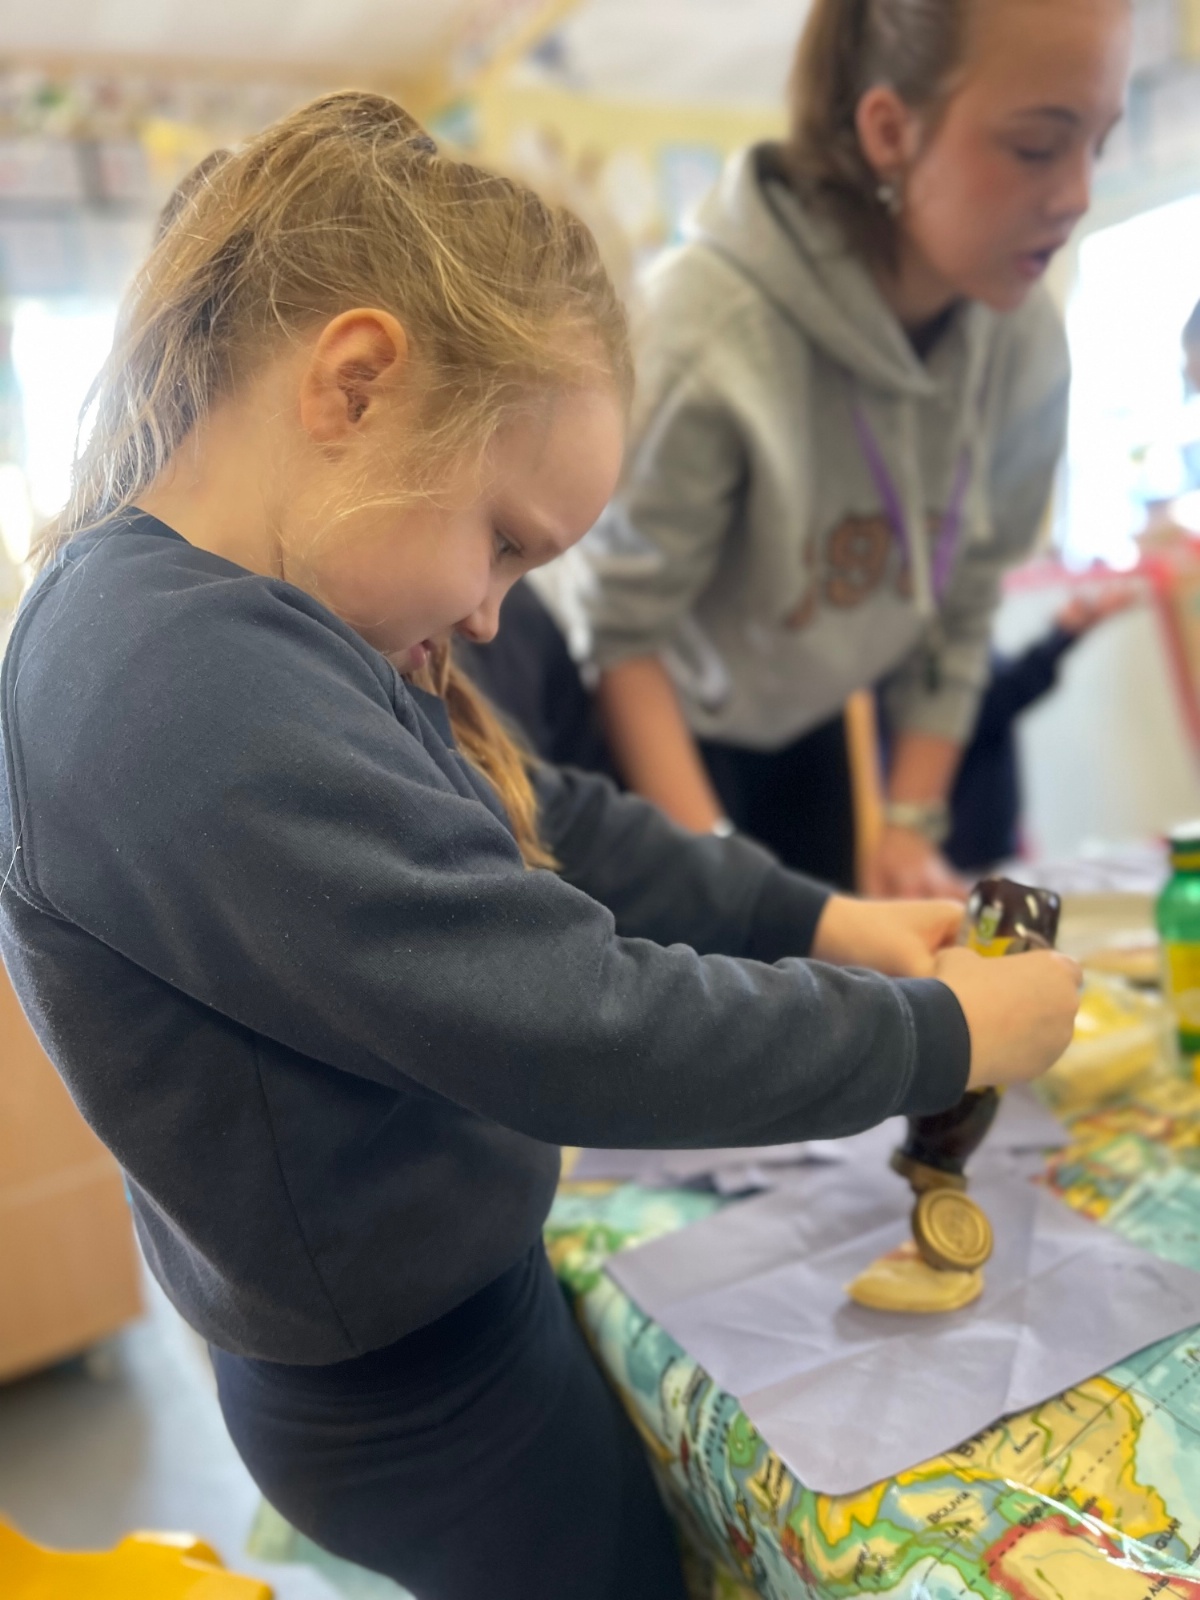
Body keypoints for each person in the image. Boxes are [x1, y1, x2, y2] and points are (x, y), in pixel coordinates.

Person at [0, 95, 1082, 1600]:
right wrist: (940, 1034)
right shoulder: (178, 687)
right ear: (356, 385)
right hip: (415, 1397)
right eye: (504, 539)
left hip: (436, 1337)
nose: (494, 610)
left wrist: (822, 921)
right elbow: (574, 1018)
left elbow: (538, 814)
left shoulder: (239, 626)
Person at [565, 0, 1131, 896]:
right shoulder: (707, 335)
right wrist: (728, 886)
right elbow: (620, 635)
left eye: (1099, 143)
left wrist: (909, 824)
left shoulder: (1023, 342)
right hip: (661, 732)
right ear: (890, 131)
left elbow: (966, 597)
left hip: (821, 723)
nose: (1078, 195)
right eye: (1036, 147)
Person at [938, 589, 1135, 872]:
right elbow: (998, 698)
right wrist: (1062, 634)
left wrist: (1063, 635)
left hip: (987, 827)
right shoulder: (938, 652)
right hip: (963, 836)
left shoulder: (964, 644)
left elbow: (1005, 686)